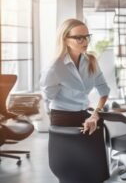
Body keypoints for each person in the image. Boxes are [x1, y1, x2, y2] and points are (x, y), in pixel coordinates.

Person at [40, 18, 110, 182]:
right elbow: (47, 100)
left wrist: (95, 115)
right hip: (63, 120)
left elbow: (104, 91)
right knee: (71, 174)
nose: (85, 41)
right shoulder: (55, 68)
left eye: (87, 36)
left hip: (88, 118)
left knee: (95, 172)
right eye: (79, 37)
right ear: (65, 39)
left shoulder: (91, 61)